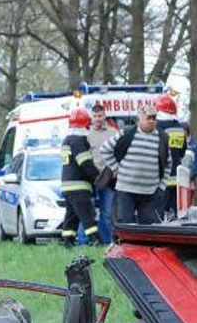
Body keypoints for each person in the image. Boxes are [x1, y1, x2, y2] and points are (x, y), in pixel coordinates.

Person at [99, 103, 168, 226]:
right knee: (124, 226)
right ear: (140, 118)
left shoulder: (162, 138)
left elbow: (168, 163)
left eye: (154, 118)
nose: (152, 121)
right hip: (126, 190)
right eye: (148, 118)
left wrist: (161, 187)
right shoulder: (126, 133)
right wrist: (116, 169)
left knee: (149, 229)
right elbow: (105, 149)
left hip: (150, 192)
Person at [58, 107, 101, 247]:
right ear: (85, 125)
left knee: (71, 216)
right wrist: (98, 177)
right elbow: (85, 162)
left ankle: (67, 241)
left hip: (67, 185)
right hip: (79, 186)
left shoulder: (67, 140)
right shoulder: (77, 141)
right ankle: (96, 240)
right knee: (87, 214)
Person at [87, 102, 119, 244]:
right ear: (91, 117)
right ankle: (91, 241)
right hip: (93, 178)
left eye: (100, 116)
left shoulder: (113, 133)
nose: (98, 119)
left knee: (107, 213)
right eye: (95, 116)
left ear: (104, 116)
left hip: (109, 179)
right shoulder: (88, 135)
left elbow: (119, 153)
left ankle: (107, 243)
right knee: (90, 212)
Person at [154, 94, 187, 220]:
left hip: (161, 176)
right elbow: (182, 151)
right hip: (176, 175)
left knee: (159, 211)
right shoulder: (179, 128)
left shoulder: (158, 128)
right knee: (175, 210)